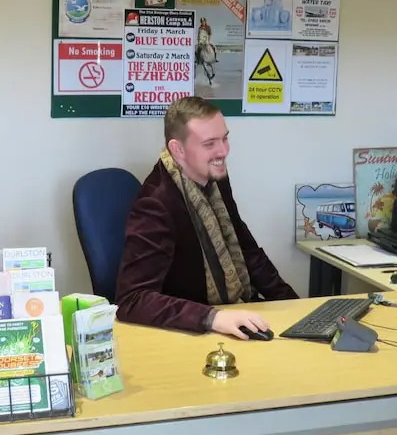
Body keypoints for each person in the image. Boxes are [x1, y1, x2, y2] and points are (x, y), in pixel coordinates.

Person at [115, 96, 298, 338]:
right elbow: (132, 299)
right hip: (191, 329)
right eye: (209, 143)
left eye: (225, 138)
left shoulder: (213, 177)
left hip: (234, 311)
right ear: (177, 149)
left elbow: (247, 250)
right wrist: (213, 318)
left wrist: (297, 307)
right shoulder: (156, 203)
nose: (223, 151)